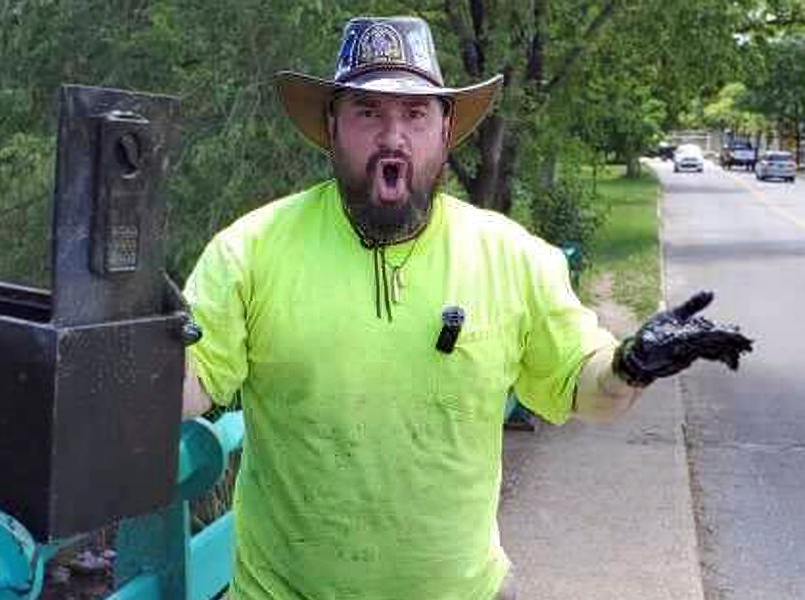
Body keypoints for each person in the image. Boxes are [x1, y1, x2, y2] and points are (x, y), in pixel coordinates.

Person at [182, 16, 752, 600]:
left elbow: (586, 387)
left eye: (414, 114)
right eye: (367, 112)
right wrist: (115, 313)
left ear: (446, 129)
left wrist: (631, 366)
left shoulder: (512, 257)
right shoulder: (248, 252)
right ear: (332, 127)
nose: (392, 137)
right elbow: (184, 385)